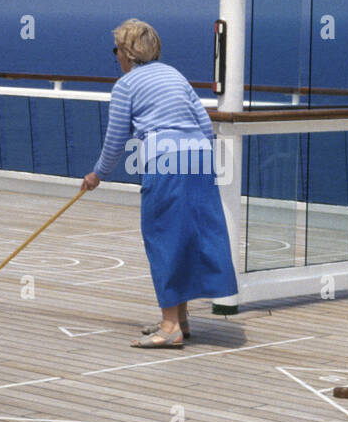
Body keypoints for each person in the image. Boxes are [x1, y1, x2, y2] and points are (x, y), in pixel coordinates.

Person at [81, 19, 238, 347]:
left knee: (165, 238)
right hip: (199, 160)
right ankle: (180, 318)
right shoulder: (174, 75)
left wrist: (97, 174)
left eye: (116, 51)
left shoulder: (126, 86)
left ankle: (170, 329)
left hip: (166, 164)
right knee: (191, 235)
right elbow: (205, 126)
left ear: (126, 53)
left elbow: (115, 140)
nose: (116, 59)